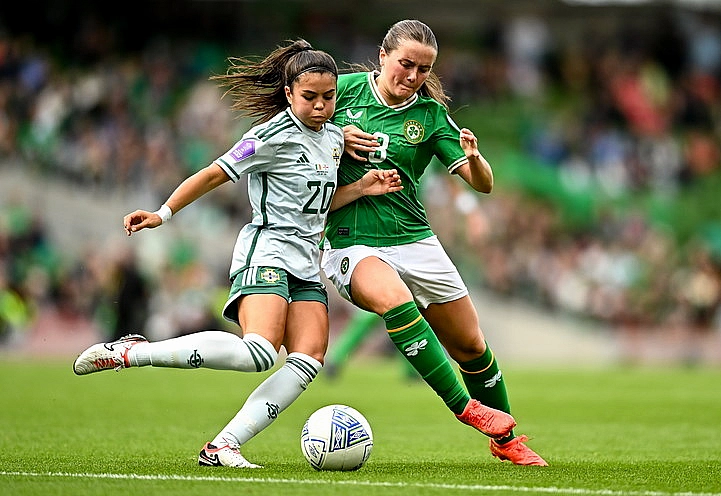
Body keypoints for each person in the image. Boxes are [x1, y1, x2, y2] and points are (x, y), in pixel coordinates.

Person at [72, 39, 403, 469]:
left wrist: (359, 189)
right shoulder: (268, 136)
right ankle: (132, 352)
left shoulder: (336, 138)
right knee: (259, 353)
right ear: (288, 94)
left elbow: (315, 204)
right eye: (310, 97)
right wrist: (162, 213)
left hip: (306, 258)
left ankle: (223, 446)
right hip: (267, 249)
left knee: (308, 360)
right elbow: (213, 174)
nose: (321, 106)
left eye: (329, 97)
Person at [321, 20, 548, 466]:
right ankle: (466, 408)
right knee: (394, 299)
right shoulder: (340, 92)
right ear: (383, 55)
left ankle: (508, 442)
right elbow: (294, 127)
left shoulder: (430, 116)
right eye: (405, 64)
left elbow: (481, 183)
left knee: (471, 347)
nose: (412, 76)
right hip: (351, 242)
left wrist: (478, 159)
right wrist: (334, 135)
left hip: (415, 239)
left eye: (423, 69)